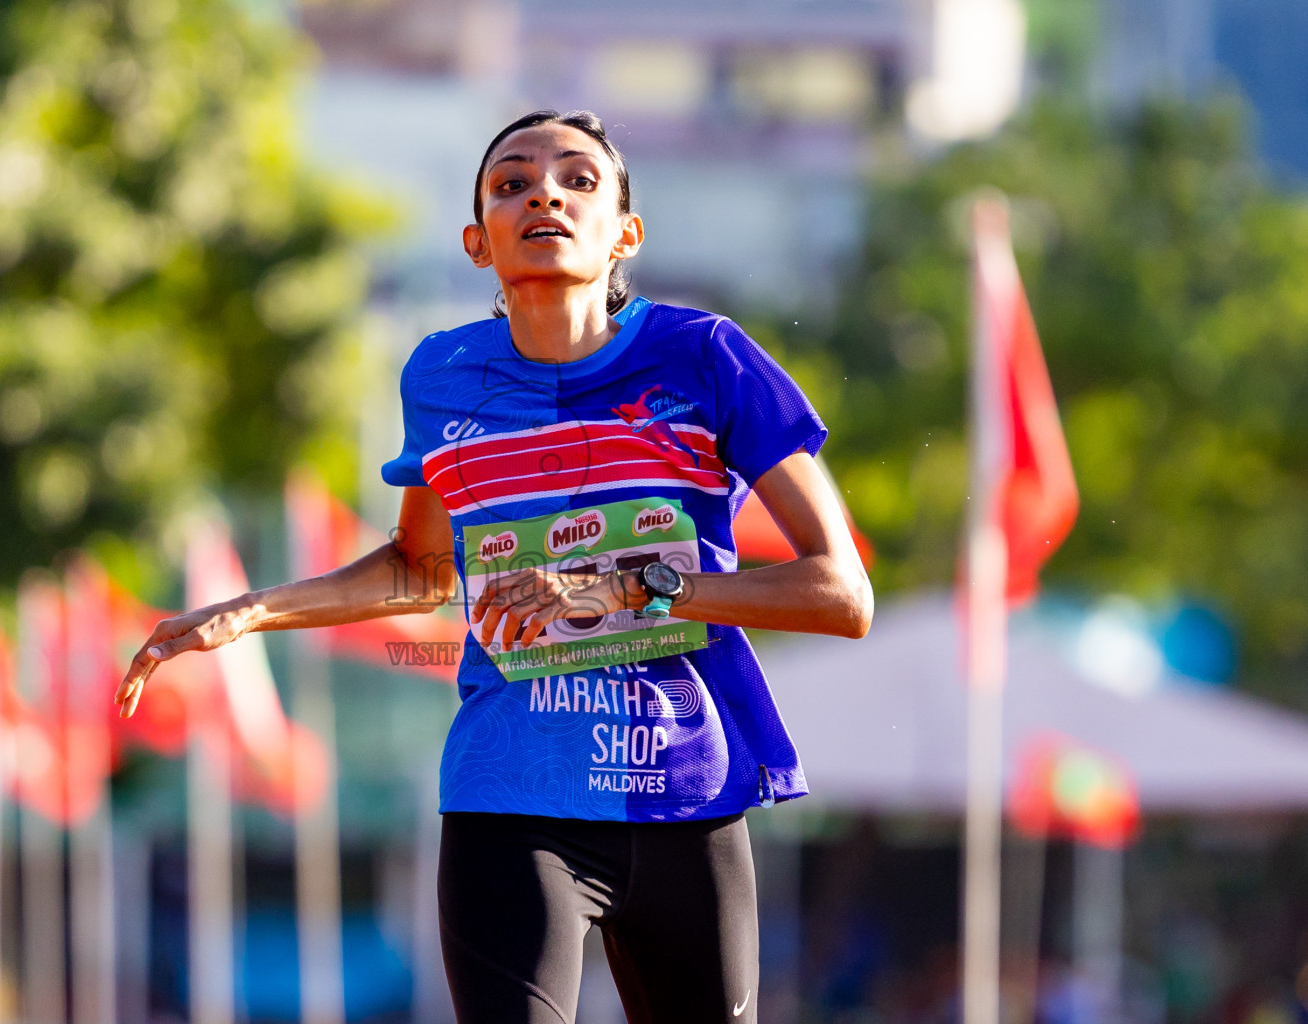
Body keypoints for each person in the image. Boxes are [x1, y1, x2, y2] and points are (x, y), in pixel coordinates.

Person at [115, 109, 872, 1024]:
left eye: (577, 180)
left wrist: (621, 586)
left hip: (682, 791)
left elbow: (841, 594)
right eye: (512, 183)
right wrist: (250, 613)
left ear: (625, 234)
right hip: (511, 792)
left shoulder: (705, 358)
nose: (544, 193)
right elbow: (421, 569)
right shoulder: (442, 377)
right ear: (479, 241)